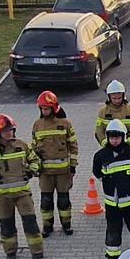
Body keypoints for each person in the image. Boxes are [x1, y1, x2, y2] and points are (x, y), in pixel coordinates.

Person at [0, 114, 46, 259]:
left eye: (11, 130)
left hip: (23, 194)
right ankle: (10, 252)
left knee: (31, 225)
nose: (9, 133)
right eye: (6, 131)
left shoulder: (22, 145)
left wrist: (32, 170)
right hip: (3, 196)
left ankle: (37, 253)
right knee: (6, 226)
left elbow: (35, 159)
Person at [93, 119, 130, 259]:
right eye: (111, 138)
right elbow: (97, 173)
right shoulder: (100, 156)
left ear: (123, 137)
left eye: (117, 138)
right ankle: (112, 257)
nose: (114, 141)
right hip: (113, 204)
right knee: (113, 229)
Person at [32, 91, 80, 236]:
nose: (44, 111)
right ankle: (47, 226)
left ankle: (66, 225)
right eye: (42, 108)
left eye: (47, 108)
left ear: (54, 108)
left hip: (63, 172)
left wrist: (72, 166)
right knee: (46, 201)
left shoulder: (65, 124)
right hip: (45, 172)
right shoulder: (37, 125)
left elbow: (73, 146)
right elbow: (33, 148)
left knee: (64, 200)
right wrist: (34, 166)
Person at [95, 80, 130, 146]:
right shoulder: (103, 112)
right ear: (109, 97)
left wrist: (129, 143)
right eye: (114, 98)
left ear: (123, 96)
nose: (117, 101)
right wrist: (105, 144)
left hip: (127, 146)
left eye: (119, 98)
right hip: (110, 146)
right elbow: (99, 131)